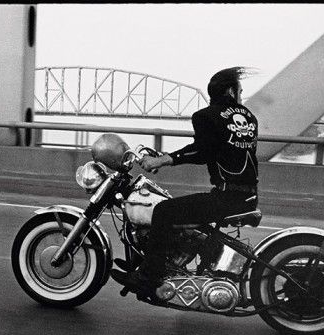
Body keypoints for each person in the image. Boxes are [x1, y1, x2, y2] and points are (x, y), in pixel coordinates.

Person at [111, 66, 260, 292]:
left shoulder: (206, 116)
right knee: (180, 213)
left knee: (163, 211)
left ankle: (149, 278)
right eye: (240, 91)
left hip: (227, 197)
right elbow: (222, 150)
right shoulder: (249, 117)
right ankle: (150, 262)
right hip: (246, 194)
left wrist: (162, 160)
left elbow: (202, 152)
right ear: (230, 91)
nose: (241, 95)